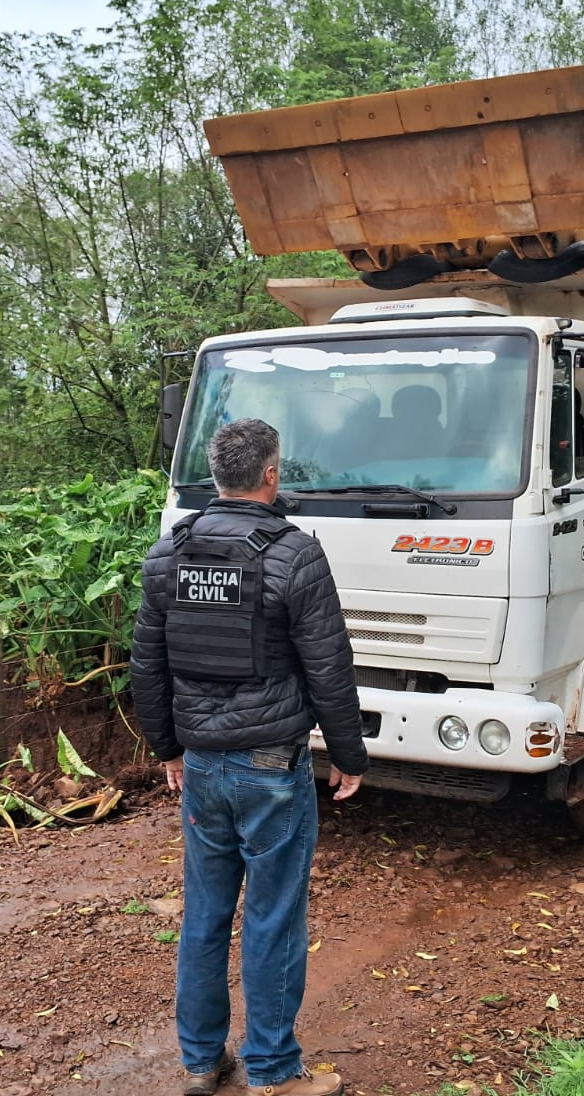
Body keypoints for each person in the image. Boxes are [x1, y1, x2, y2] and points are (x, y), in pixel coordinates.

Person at [132, 418, 369, 1096]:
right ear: (272, 473)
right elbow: (329, 666)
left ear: (217, 475)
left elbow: (147, 665)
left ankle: (203, 1064)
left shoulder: (169, 553)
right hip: (269, 767)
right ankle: (271, 1073)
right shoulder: (294, 553)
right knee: (272, 918)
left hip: (202, 767)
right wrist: (349, 754)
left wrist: (168, 748)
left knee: (205, 916)